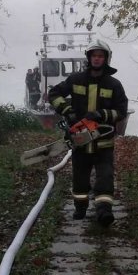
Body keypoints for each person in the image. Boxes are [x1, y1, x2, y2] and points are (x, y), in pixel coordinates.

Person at [47, 40, 128, 226]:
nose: (97, 59)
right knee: (80, 177)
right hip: (80, 140)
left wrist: (102, 114)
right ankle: (80, 208)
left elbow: (121, 111)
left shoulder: (114, 84)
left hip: (103, 142)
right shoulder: (75, 79)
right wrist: (68, 111)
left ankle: (104, 211)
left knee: (105, 177)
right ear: (89, 58)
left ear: (106, 59)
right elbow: (54, 94)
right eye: (94, 55)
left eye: (100, 56)